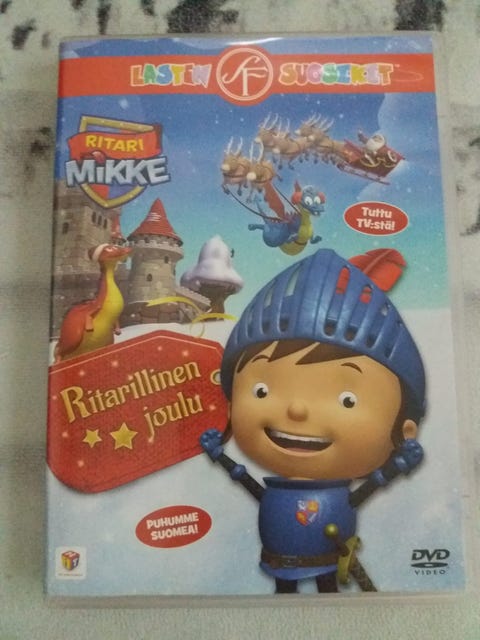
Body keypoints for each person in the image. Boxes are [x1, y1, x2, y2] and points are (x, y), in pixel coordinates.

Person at [200, 248, 425, 593]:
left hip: (328, 559)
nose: (297, 409)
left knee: (328, 593)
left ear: (404, 430)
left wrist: (400, 465)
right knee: (286, 597)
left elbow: (374, 483)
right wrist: (220, 455)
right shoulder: (277, 487)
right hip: (278, 560)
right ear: (229, 409)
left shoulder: (340, 492)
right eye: (261, 390)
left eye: (347, 400)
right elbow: (244, 480)